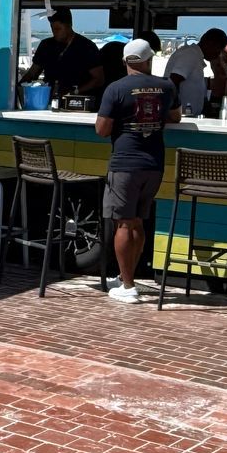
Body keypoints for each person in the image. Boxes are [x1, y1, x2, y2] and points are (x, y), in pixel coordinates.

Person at [95, 39, 181, 304]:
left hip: (125, 164)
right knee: (138, 221)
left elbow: (102, 129)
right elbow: (176, 117)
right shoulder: (167, 86)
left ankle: (129, 286)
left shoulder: (116, 88)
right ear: (149, 59)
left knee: (123, 221)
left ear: (125, 61)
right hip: (154, 163)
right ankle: (126, 276)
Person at [20, 8, 100, 97]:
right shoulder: (46, 45)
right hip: (49, 98)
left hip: (77, 100)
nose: (54, 33)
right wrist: (18, 87)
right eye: (52, 28)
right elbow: (33, 73)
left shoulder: (86, 47)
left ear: (69, 25)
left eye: (58, 29)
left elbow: (98, 79)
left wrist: (74, 92)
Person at [166, 28, 227, 118]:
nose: (218, 54)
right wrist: (174, 111)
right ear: (210, 44)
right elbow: (173, 82)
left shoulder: (196, 56)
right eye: (218, 50)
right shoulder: (190, 54)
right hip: (181, 118)